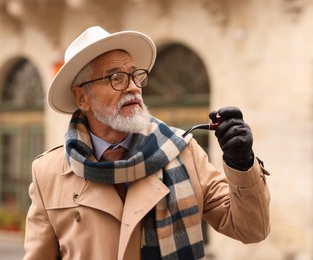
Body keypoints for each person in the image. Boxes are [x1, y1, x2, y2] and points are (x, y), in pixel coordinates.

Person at [23, 26, 270, 260]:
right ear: (81, 97)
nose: (132, 87)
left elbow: (251, 229)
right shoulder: (48, 172)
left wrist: (242, 164)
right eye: (116, 78)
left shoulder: (182, 151)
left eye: (134, 75)